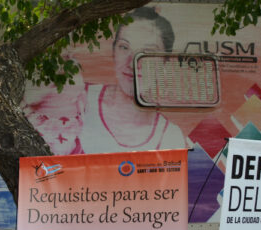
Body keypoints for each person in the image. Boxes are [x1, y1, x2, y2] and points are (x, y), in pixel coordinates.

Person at [78, 7, 186, 153]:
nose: (132, 63)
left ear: (165, 62)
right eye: (124, 47)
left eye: (147, 52)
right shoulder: (77, 99)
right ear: (113, 51)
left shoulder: (170, 137)